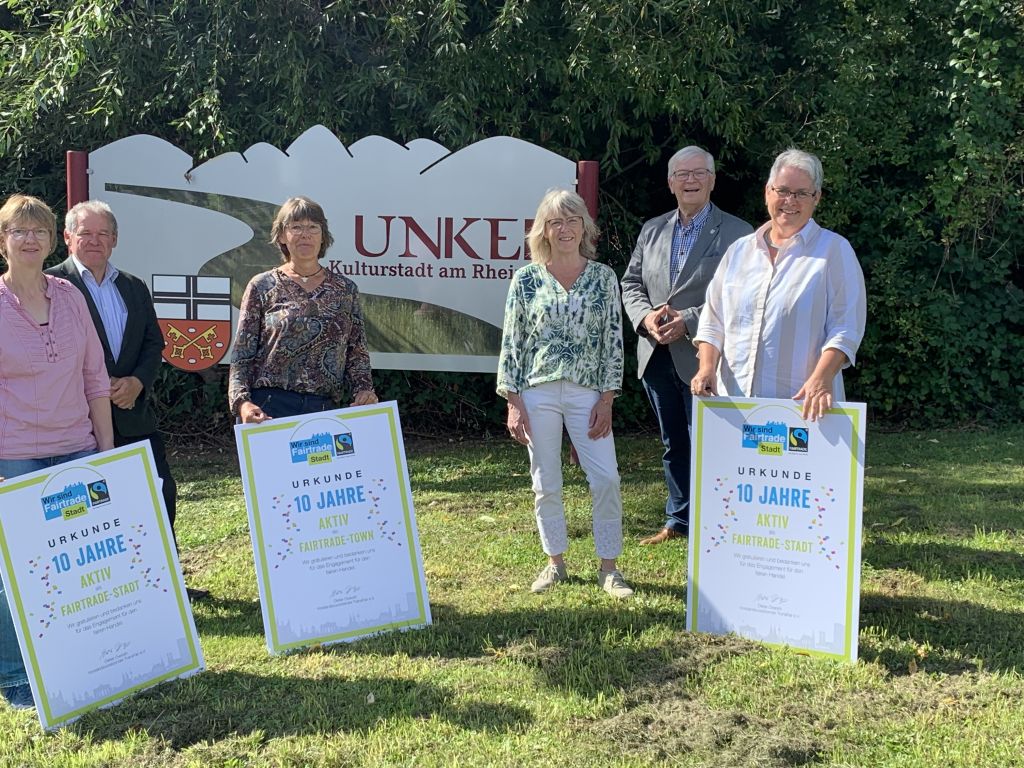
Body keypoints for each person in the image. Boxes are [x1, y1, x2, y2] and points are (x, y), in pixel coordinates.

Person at [46, 200, 208, 602]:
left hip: (135, 417)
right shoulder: (51, 287)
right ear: (67, 238)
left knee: (159, 495)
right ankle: (109, 592)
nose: (94, 241)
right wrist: (100, 386)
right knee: (91, 511)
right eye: (85, 233)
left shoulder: (133, 286)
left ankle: (166, 584)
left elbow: (154, 342)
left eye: (103, 234)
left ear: (115, 240)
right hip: (78, 423)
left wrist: (138, 381)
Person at [0, 194, 114, 709]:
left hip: (77, 450)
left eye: (39, 231)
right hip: (14, 457)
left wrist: (106, 455)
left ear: (52, 241)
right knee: (11, 574)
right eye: (19, 231)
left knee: (77, 566)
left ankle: (85, 661)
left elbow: (95, 377)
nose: (30, 239)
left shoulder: (68, 296)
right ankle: (15, 679)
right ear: (3, 240)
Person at [497, 189, 633, 599]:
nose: (565, 228)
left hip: (587, 393)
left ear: (584, 226)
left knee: (606, 477)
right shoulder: (526, 279)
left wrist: (607, 398)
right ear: (543, 229)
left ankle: (609, 567)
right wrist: (513, 401)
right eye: (555, 221)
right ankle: (555, 561)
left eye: (572, 220)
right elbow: (512, 340)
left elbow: (613, 339)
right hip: (536, 392)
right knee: (546, 482)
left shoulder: (603, 277)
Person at [621, 147, 753, 546]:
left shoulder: (738, 232)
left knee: (714, 444)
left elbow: (741, 293)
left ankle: (721, 523)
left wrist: (690, 320)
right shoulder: (652, 229)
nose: (690, 179)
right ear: (670, 182)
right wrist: (646, 319)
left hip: (705, 357)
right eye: (682, 173)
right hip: (657, 356)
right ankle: (678, 522)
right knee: (673, 443)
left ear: (713, 180)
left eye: (699, 172)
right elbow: (630, 284)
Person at [690, 148, 867, 420]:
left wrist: (822, 378)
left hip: (804, 409)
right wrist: (706, 368)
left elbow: (846, 329)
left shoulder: (835, 251)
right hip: (734, 409)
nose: (790, 201)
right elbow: (713, 321)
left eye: (801, 193)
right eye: (782, 190)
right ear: (767, 192)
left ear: (816, 198)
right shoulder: (738, 252)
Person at [229, 196, 377, 422]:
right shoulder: (261, 286)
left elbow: (357, 353)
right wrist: (242, 403)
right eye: (296, 227)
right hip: (268, 408)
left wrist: (364, 390)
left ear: (323, 236)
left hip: (324, 408)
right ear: (281, 235)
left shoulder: (345, 290)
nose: (305, 234)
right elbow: (241, 356)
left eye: (313, 227)